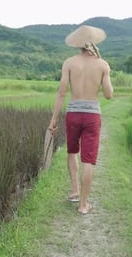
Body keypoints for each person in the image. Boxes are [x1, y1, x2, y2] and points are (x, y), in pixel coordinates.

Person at [48, 25, 114, 215]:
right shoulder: (103, 64)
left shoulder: (69, 63)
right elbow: (109, 95)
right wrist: (106, 76)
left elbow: (61, 94)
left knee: (72, 152)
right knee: (88, 160)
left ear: (78, 44)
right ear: (94, 42)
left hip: (73, 114)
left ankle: (75, 191)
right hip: (92, 115)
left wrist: (53, 120)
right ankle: (83, 205)